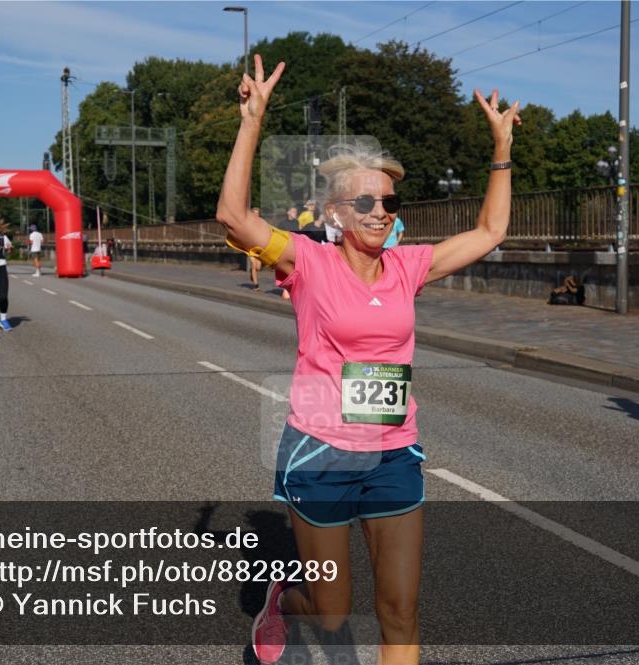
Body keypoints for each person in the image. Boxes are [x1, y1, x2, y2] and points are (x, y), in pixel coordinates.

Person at [216, 55, 520, 665]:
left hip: (393, 455)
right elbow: (234, 218)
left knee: (400, 611)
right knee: (331, 611)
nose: (380, 211)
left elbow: (490, 232)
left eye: (388, 202)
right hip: (320, 454)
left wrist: (501, 148)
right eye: (364, 202)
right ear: (335, 212)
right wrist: (252, 122)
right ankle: (285, 600)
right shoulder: (308, 262)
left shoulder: (409, 266)